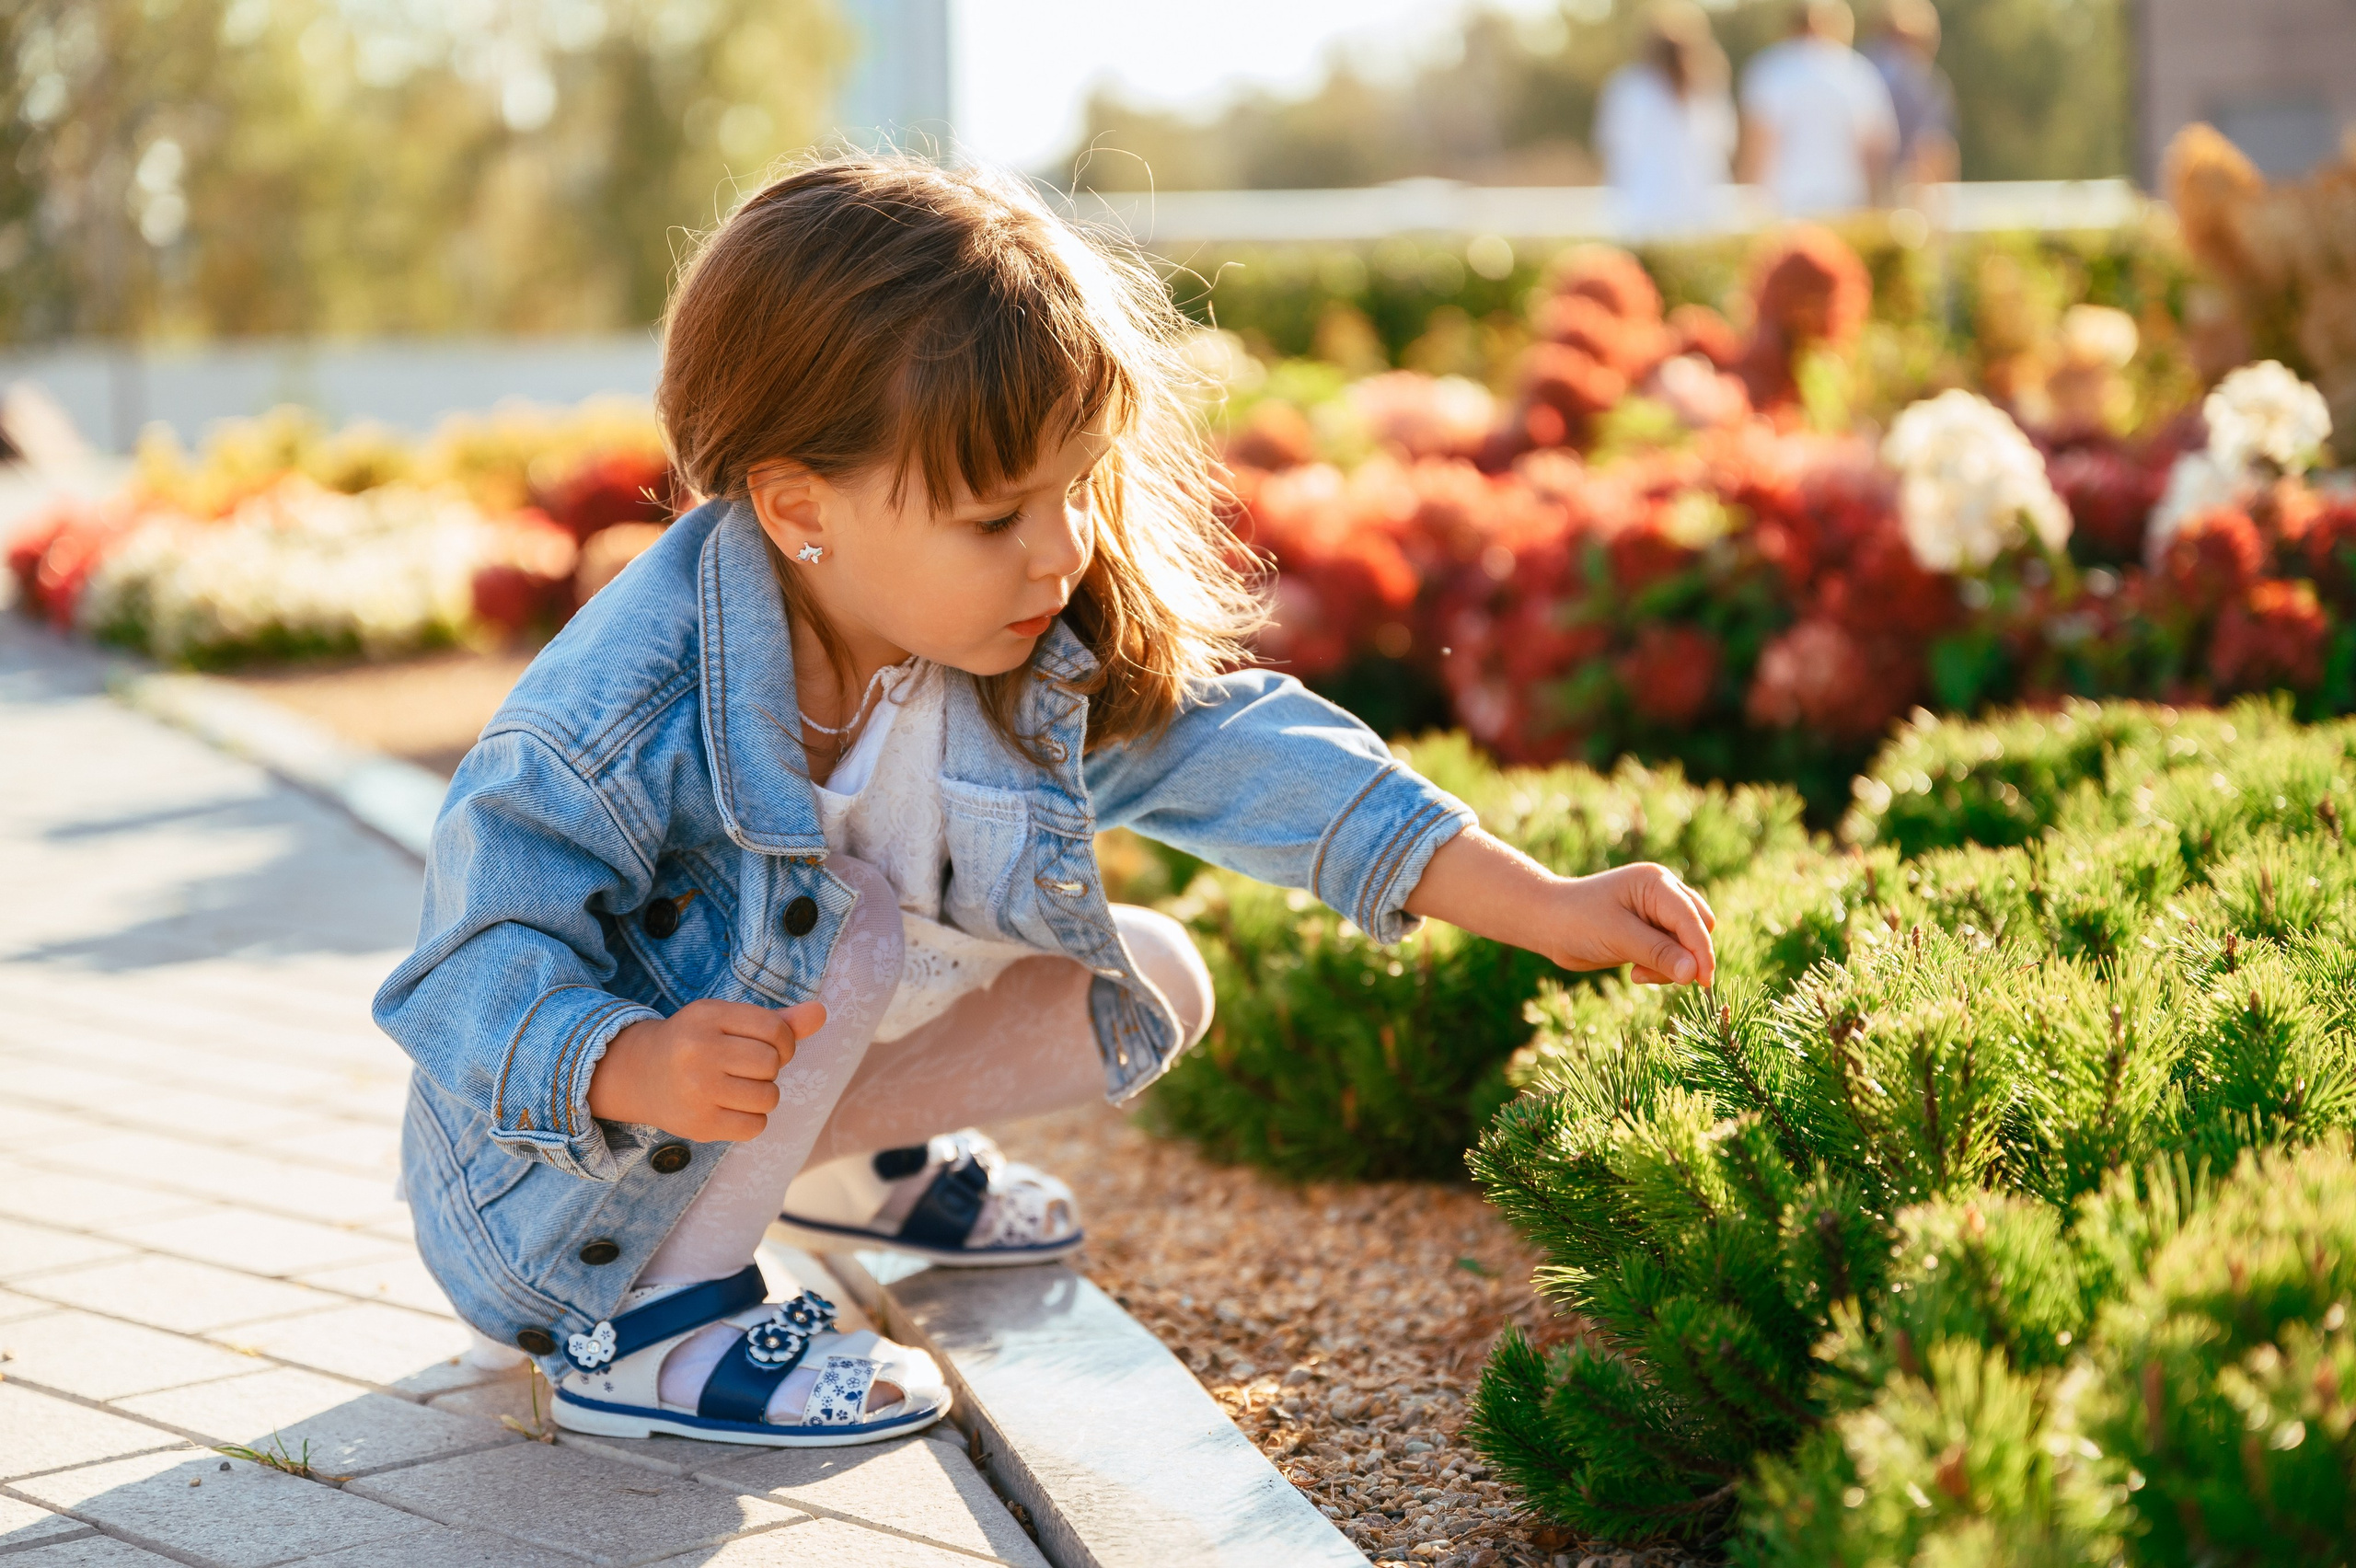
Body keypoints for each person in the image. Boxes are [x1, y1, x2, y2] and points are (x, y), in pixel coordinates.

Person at [372, 156, 1721, 1449]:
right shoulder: (619, 713)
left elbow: (1255, 762)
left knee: (1149, 977)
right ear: (798, 511)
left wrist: (1540, 903)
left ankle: (841, 1176)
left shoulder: (997, 649)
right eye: (995, 517)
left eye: (1074, 489)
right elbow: (466, 967)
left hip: (744, 1092)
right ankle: (660, 1341)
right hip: (555, 1214)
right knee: (848, 930)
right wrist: (635, 1068)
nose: (1063, 548)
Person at [1738, 0, 1900, 216]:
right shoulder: (1858, 72)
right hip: (1846, 204)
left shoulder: (1768, 69)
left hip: (1782, 207)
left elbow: (1756, 148)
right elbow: (1876, 151)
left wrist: (1750, 206)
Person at [1595, 1, 1737, 237]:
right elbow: (1727, 145)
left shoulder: (1627, 88)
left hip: (1642, 216)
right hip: (1705, 217)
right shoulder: (1711, 88)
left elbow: (1612, 151)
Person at [1866, 0, 1959, 190]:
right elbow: (1933, 148)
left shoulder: (1859, 69)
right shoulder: (1926, 82)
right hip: (1903, 189)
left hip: (1866, 191)